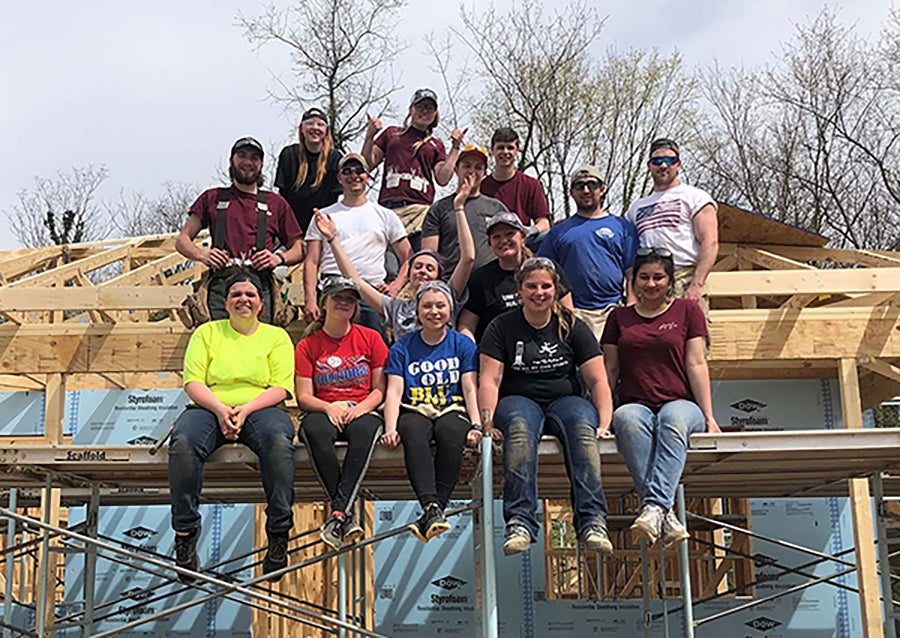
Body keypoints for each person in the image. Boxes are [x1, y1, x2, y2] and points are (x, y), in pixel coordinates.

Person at [478, 257, 615, 557]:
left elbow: (598, 380)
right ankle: (520, 521)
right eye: (531, 286)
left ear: (555, 289)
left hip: (566, 399)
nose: (539, 292)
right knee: (519, 430)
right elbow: (490, 379)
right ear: (519, 290)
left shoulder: (573, 326)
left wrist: (604, 422)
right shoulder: (501, 327)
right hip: (518, 400)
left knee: (582, 428)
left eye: (545, 286)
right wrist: (487, 424)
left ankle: (592, 520)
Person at [168, 272, 296, 583]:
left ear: (261, 305)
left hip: (262, 407)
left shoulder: (276, 337)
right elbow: (193, 381)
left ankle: (278, 534)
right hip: (209, 407)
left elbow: (281, 387)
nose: (243, 299)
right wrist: (221, 409)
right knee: (183, 444)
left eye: (250, 295)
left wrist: (246, 409)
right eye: (236, 294)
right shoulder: (207, 333)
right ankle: (185, 535)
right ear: (225, 304)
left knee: (279, 442)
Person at [600, 247, 720, 547]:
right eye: (644, 277)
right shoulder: (619, 317)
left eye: (658, 277)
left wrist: (708, 416)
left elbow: (696, 363)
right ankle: (663, 514)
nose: (651, 284)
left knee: (672, 419)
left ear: (669, 281)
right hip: (635, 402)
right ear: (634, 281)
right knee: (624, 418)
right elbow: (609, 369)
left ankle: (652, 506)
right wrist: (603, 417)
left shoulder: (687, 311)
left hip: (681, 402)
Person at [313, 169, 477, 342]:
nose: (423, 271)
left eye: (430, 268)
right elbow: (357, 281)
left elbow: (468, 258)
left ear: (438, 275)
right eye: (418, 267)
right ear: (410, 273)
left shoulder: (448, 295)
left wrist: (458, 207)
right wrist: (333, 239)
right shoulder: (395, 307)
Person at [380, 281, 481, 541]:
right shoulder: (403, 347)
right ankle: (432, 507)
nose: (434, 311)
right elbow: (393, 391)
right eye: (427, 306)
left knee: (451, 432)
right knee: (412, 430)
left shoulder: (463, 344)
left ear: (450, 309)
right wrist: (390, 427)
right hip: (416, 407)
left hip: (453, 406)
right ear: (417, 311)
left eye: (440, 306)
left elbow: (470, 387)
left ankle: (432, 509)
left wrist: (477, 424)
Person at [295, 277, 389, 550]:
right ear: (323, 303)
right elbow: (303, 396)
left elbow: (379, 390)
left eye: (350, 298)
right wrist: (328, 407)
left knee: (365, 432)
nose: (344, 302)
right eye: (338, 297)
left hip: (363, 407)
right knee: (314, 431)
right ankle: (346, 512)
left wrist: (360, 408)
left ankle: (338, 513)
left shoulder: (371, 338)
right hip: (325, 409)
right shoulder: (308, 345)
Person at [176, 137, 304, 325]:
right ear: (231, 161)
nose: (247, 162)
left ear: (260, 165)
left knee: (259, 345)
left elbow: (299, 247)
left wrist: (278, 258)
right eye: (242, 155)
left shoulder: (275, 203)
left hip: (261, 287)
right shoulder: (212, 198)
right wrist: (203, 256)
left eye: (254, 158)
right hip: (220, 286)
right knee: (218, 344)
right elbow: (182, 240)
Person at [302, 153, 412, 338]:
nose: (354, 175)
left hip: (371, 294)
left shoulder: (386, 215)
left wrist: (395, 286)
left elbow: (408, 257)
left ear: (368, 176)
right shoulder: (323, 216)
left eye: (359, 170)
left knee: (374, 353)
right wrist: (311, 299)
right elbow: (312, 261)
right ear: (339, 178)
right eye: (347, 171)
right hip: (332, 290)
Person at [538, 165, 638, 342]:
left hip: (612, 311)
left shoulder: (622, 226)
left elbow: (632, 274)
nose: (586, 190)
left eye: (592, 184)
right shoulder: (558, 231)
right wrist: (565, 311)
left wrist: (630, 310)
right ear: (571, 192)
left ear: (602, 189)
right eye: (579, 186)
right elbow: (545, 274)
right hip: (574, 312)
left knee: (613, 367)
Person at [362, 88, 466, 251]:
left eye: (429, 108)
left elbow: (443, 178)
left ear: (435, 113)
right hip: (389, 209)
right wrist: (369, 136)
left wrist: (455, 147)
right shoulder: (392, 134)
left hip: (420, 212)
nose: (424, 111)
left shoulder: (435, 145)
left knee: (418, 263)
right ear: (411, 109)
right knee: (390, 268)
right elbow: (367, 164)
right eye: (420, 106)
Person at [624, 138, 718, 314]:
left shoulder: (695, 197)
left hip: (684, 278)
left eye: (670, 160)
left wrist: (697, 284)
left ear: (678, 164)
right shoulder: (636, 207)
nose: (663, 166)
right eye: (657, 161)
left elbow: (710, 242)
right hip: (649, 283)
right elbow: (626, 246)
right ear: (649, 166)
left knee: (692, 339)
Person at [458, 211, 573, 343]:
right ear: (490, 243)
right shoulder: (480, 279)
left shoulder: (547, 268)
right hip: (499, 353)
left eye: (510, 234)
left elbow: (568, 315)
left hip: (546, 350)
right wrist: (472, 351)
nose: (503, 240)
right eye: (496, 237)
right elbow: (466, 325)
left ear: (523, 237)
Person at [421, 144, 508, 275]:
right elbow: (429, 255)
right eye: (467, 166)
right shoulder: (439, 208)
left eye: (478, 168)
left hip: (489, 283)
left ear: (484, 174)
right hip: (450, 283)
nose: (472, 171)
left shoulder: (496, 208)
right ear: (456, 170)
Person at [480, 127, 551, 250]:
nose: (505, 152)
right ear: (492, 150)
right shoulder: (481, 186)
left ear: (517, 151)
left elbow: (544, 223)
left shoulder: (531, 184)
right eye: (500, 148)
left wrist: (529, 231)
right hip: (489, 245)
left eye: (510, 148)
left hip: (522, 245)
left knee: (550, 238)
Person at [274, 107, 342, 233]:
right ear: (301, 129)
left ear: (326, 131)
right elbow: (282, 196)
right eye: (310, 123)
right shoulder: (288, 155)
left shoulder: (335, 158)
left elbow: (335, 200)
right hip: (292, 229)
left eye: (320, 124)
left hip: (323, 227)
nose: (315, 128)